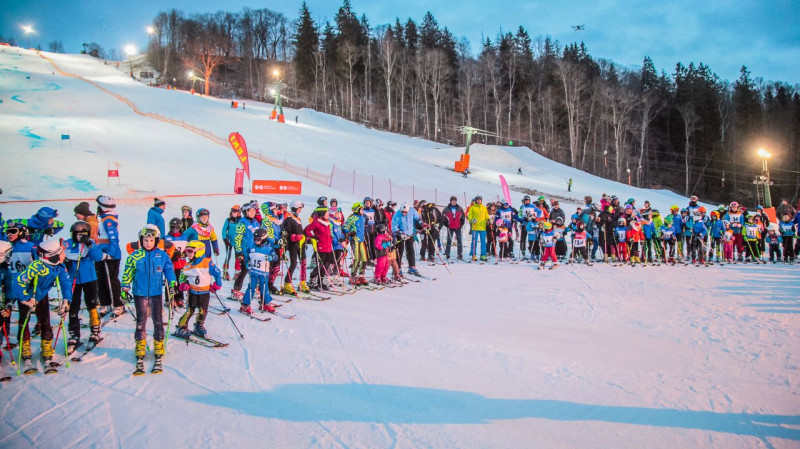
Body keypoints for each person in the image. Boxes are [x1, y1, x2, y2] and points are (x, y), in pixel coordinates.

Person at [122, 226, 177, 375]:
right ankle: (140, 345)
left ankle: (158, 344)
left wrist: (172, 283)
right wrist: (125, 287)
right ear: (141, 240)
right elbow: (128, 272)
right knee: (141, 320)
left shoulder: (162, 255)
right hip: (139, 293)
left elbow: (169, 271)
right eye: (145, 240)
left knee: (157, 320)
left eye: (151, 240)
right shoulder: (134, 256)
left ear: (156, 241)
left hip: (155, 293)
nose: (148, 243)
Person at [14, 238, 72, 373]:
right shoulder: (37, 266)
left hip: (42, 296)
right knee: (24, 322)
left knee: (45, 322)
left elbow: (66, 283)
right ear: (53, 256)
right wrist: (24, 298)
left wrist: (66, 300)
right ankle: (25, 351)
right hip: (28, 296)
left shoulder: (59, 267)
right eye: (62, 253)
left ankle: (47, 351)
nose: (65, 255)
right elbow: (17, 282)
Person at [64, 221, 104, 353]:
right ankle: (74, 333)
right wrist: (65, 260)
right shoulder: (67, 243)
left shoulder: (90, 243)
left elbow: (98, 257)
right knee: (73, 306)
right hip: (73, 279)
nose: (80, 237)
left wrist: (89, 243)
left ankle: (95, 329)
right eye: (78, 234)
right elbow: (62, 256)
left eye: (83, 235)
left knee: (91, 304)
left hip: (89, 278)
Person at [175, 240, 222, 339]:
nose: (187, 253)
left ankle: (198, 326)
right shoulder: (188, 266)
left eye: (190, 251)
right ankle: (181, 327)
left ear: (198, 251)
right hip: (192, 293)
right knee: (190, 311)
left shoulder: (207, 262)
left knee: (203, 310)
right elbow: (182, 278)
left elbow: (217, 273)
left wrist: (217, 285)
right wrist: (183, 285)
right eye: (186, 251)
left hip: (204, 292)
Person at [95, 195, 123, 318]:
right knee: (101, 279)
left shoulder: (108, 219)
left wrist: (110, 253)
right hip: (101, 253)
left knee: (113, 279)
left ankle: (118, 304)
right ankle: (105, 302)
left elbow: (114, 238)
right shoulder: (103, 218)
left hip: (110, 254)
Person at [239, 229, 277, 314]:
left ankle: (265, 303)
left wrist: (271, 257)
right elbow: (247, 257)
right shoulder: (252, 248)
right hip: (254, 273)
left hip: (264, 273)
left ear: (264, 239)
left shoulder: (268, 249)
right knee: (251, 288)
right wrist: (247, 263)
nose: (256, 241)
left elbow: (275, 256)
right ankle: (245, 304)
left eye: (258, 239)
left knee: (264, 288)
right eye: (255, 239)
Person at [231, 202, 261, 299]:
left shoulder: (256, 222)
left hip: (255, 251)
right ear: (245, 212)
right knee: (245, 270)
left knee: (256, 270)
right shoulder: (242, 223)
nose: (252, 213)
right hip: (245, 252)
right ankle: (236, 290)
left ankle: (254, 288)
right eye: (250, 211)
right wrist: (239, 252)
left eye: (253, 211)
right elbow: (237, 239)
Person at [304, 206, 335, 291]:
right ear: (322, 213)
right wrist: (313, 237)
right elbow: (306, 230)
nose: (328, 214)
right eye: (326, 213)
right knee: (320, 265)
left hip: (328, 247)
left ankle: (321, 281)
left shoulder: (328, 222)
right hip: (321, 247)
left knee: (327, 265)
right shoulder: (316, 222)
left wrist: (332, 238)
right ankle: (312, 280)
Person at [282, 201, 306, 294]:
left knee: (303, 262)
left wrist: (305, 237)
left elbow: (300, 231)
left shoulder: (297, 218)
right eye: (299, 208)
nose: (300, 210)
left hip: (300, 244)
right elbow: (286, 232)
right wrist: (293, 236)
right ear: (294, 208)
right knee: (294, 264)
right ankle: (287, 284)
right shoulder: (289, 219)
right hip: (293, 245)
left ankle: (302, 282)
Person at [392, 202, 422, 275]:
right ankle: (397, 268)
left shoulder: (412, 211)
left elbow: (418, 219)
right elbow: (394, 227)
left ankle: (412, 266)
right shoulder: (397, 215)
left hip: (409, 234)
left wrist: (422, 224)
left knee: (410, 250)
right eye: (403, 212)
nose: (404, 214)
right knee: (399, 251)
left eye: (406, 212)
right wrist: (400, 234)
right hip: (400, 235)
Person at [345, 203, 368, 285]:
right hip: (355, 240)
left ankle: (361, 276)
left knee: (365, 259)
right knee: (357, 259)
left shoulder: (362, 218)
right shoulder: (352, 218)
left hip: (361, 240)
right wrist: (350, 233)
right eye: (361, 209)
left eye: (363, 209)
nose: (362, 211)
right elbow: (344, 227)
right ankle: (353, 277)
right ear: (356, 210)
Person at [221, 205, 241, 280]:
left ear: (239, 212)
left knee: (238, 257)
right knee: (228, 256)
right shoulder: (228, 220)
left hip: (238, 241)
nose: (234, 214)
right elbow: (224, 229)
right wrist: (225, 239)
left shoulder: (241, 220)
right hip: (229, 240)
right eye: (233, 212)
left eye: (236, 212)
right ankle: (225, 271)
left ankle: (237, 271)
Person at [467, 196, 489, 261]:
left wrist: (488, 219)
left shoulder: (484, 208)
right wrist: (472, 220)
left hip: (483, 228)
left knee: (483, 242)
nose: (479, 201)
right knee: (474, 241)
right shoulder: (472, 208)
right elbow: (469, 217)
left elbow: (486, 216)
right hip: (475, 227)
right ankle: (473, 254)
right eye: (478, 200)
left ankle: (483, 255)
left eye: (480, 200)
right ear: (476, 200)